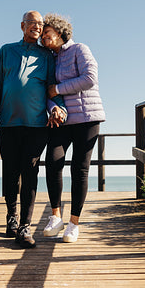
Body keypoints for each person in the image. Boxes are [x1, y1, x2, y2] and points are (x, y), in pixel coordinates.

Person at [0, 11, 66, 249]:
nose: (37, 27)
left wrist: (57, 108)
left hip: (36, 125)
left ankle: (25, 227)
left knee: (30, 173)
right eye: (32, 23)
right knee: (10, 172)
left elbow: (53, 88)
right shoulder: (6, 51)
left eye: (40, 24)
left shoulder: (47, 56)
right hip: (8, 123)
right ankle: (11, 219)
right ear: (22, 26)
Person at [40, 13, 106, 243]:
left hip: (87, 119)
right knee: (52, 161)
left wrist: (58, 90)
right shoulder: (49, 58)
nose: (43, 39)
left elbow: (90, 78)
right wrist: (53, 107)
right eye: (41, 36)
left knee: (80, 169)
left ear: (59, 32)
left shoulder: (79, 49)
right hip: (62, 120)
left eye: (47, 34)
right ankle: (56, 216)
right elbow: (46, 91)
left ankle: (73, 224)